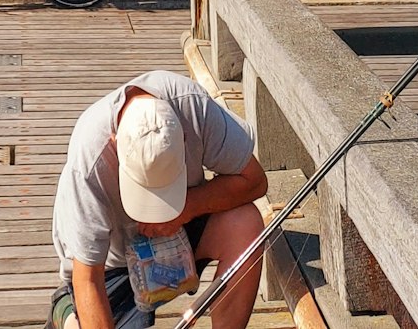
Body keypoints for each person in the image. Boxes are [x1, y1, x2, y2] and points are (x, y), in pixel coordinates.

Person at [47, 69, 267, 329]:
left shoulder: (194, 108)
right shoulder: (87, 164)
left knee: (246, 224)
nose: (153, 213)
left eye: (164, 190)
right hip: (111, 267)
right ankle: (65, 311)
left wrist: (187, 208)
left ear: (183, 137)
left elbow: (255, 181)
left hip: (181, 236)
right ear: (115, 144)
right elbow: (88, 279)